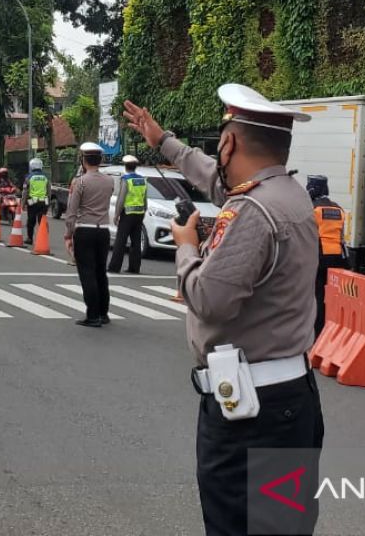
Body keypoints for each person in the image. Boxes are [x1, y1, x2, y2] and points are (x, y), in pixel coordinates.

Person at [123, 84, 324, 536]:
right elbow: (215, 178)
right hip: (288, 398)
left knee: (234, 526)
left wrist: (187, 249)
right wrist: (162, 141)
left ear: (229, 142)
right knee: (281, 527)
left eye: (222, 142)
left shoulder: (252, 211)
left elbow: (210, 300)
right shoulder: (288, 194)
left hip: (250, 415)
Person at [64, 142, 114, 327]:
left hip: (85, 230)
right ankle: (103, 313)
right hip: (103, 231)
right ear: (100, 160)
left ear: (83, 161)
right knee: (101, 272)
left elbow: (71, 211)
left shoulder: (81, 182)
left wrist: (68, 234)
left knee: (87, 273)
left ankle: (92, 315)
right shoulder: (109, 181)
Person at [307, 175, 347, 338]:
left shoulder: (313, 209)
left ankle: (318, 332)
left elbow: (308, 235)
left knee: (317, 296)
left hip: (319, 258)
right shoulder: (338, 209)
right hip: (337, 258)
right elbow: (342, 236)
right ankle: (335, 331)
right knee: (335, 297)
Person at [108, 155, 147, 275]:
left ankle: (114, 267)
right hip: (139, 214)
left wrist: (116, 214)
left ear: (125, 166)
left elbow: (121, 198)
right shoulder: (142, 179)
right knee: (136, 242)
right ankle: (134, 268)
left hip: (128, 213)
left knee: (120, 241)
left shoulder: (126, 179)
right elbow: (145, 198)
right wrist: (144, 211)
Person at [23, 157, 50, 248]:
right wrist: (48, 202)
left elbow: (25, 192)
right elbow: (49, 191)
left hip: (32, 201)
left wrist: (23, 203)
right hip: (43, 202)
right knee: (42, 221)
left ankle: (30, 238)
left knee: (31, 220)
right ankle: (44, 238)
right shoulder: (45, 177)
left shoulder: (29, 177)